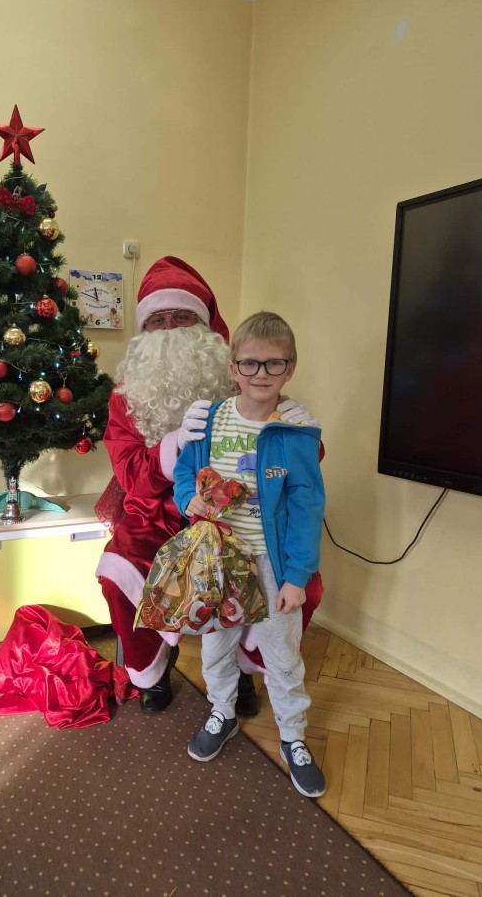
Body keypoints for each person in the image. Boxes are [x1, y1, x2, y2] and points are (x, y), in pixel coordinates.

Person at [95, 257, 321, 715]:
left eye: (182, 317)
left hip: (239, 511)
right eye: (158, 320)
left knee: (299, 579)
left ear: (204, 326)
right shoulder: (126, 394)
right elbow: (129, 472)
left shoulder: (236, 373)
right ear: (144, 330)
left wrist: (303, 432)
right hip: (155, 508)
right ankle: (153, 667)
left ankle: (242, 668)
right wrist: (175, 445)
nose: (170, 329)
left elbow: (292, 469)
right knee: (120, 569)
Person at [173, 311, 326, 798]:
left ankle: (293, 736)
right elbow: (183, 473)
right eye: (250, 364)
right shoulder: (210, 420)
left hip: (272, 566)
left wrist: (296, 576)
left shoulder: (294, 433)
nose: (261, 374)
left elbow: (307, 506)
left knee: (283, 656)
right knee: (216, 647)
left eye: (274, 364)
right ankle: (222, 712)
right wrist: (188, 499)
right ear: (233, 368)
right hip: (219, 563)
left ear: (290, 368)